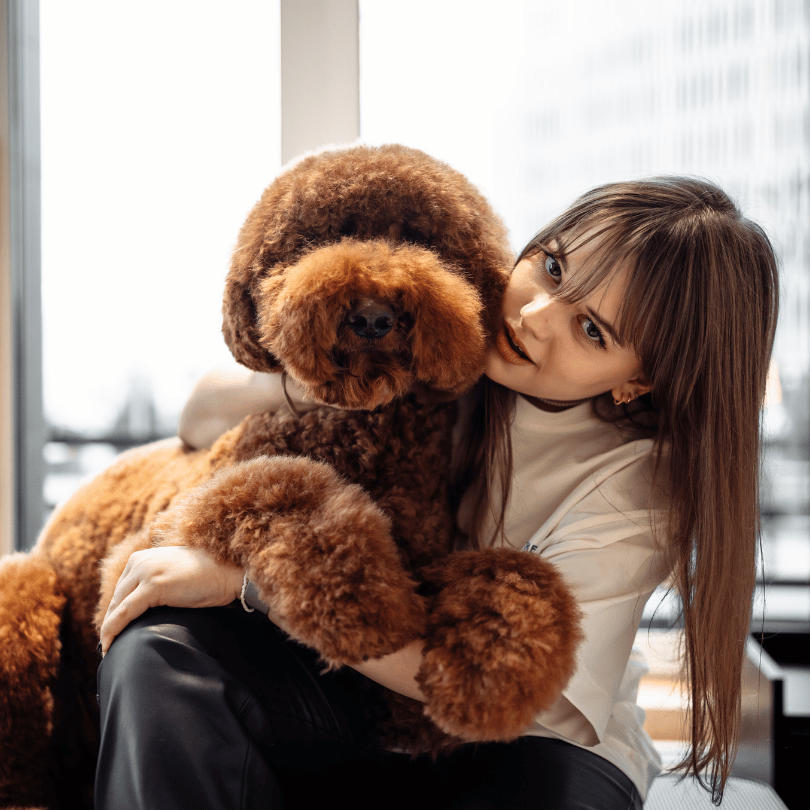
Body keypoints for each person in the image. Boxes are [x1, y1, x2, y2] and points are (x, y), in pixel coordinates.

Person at [95, 177, 779, 810]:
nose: (537, 315)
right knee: (162, 651)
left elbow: (517, 695)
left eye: (592, 329)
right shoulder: (442, 323)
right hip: (358, 706)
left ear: (639, 381)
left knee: (551, 788)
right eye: (553, 267)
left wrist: (258, 583)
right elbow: (198, 418)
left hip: (526, 748)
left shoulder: (637, 486)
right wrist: (312, 387)